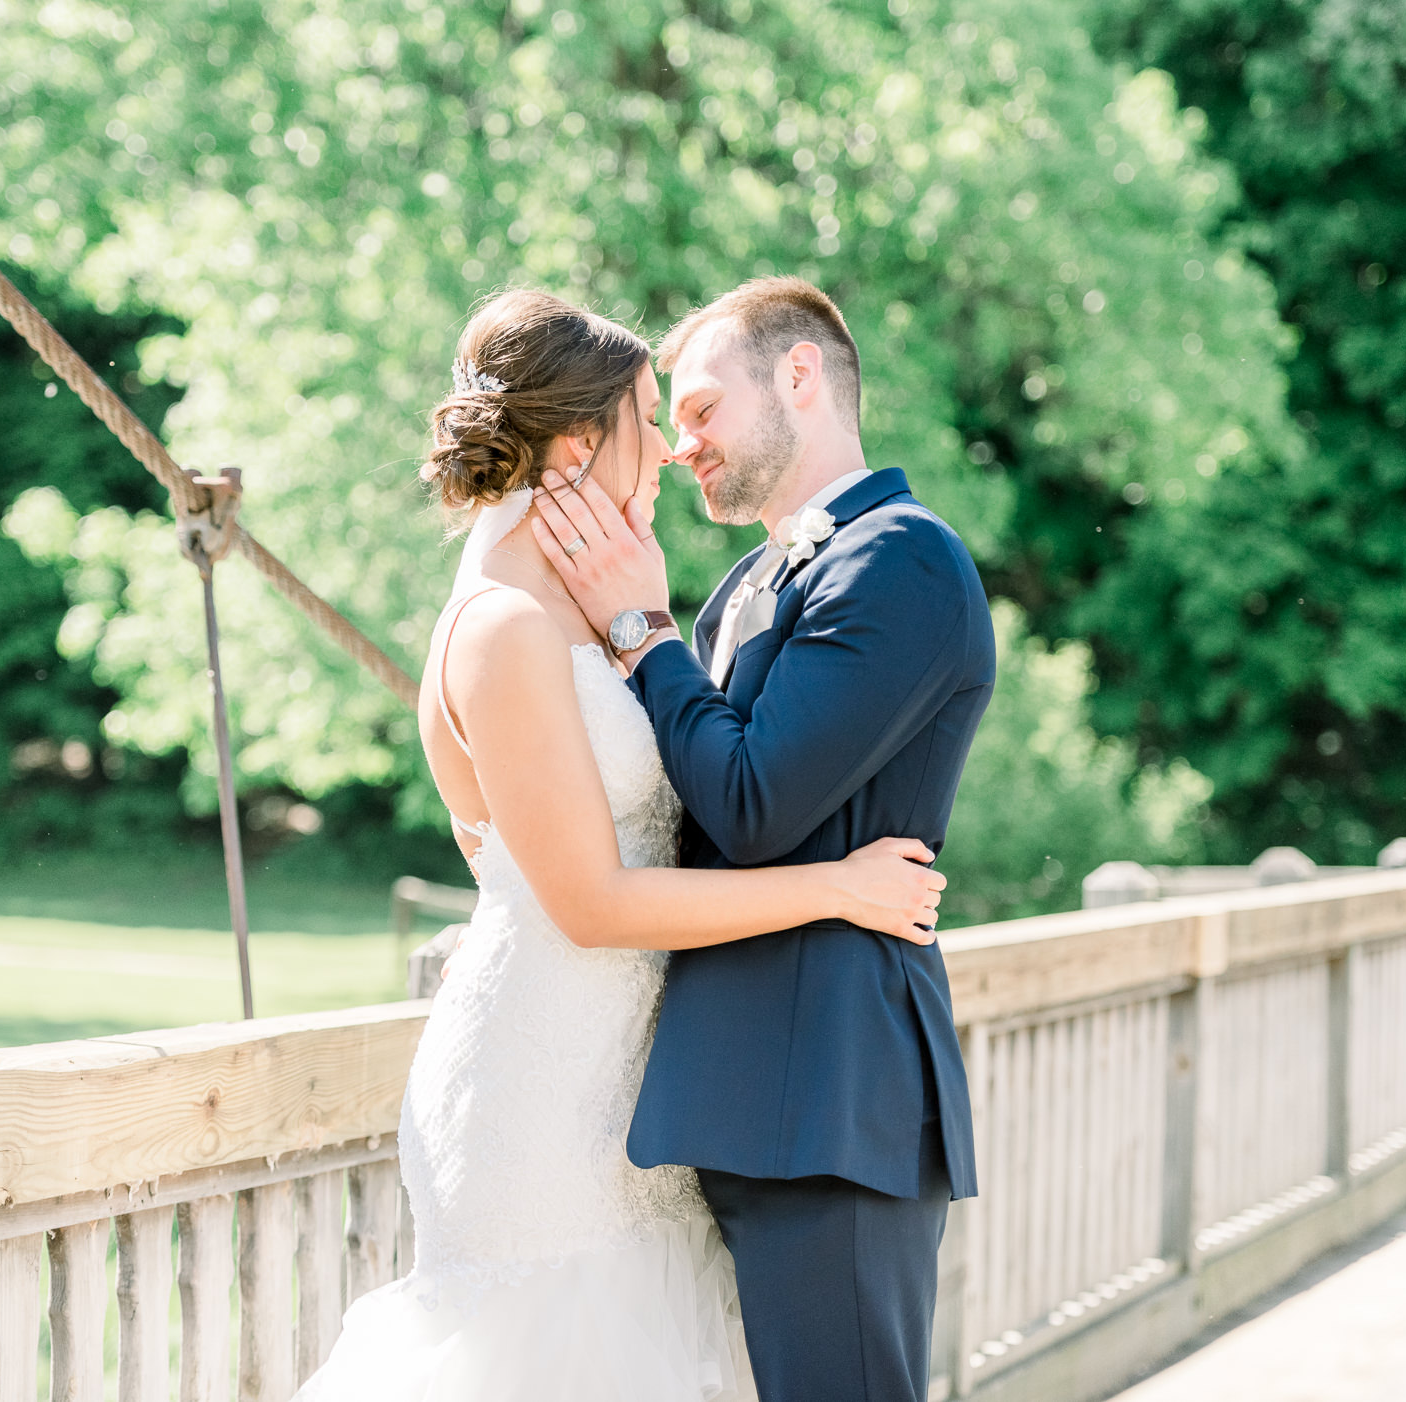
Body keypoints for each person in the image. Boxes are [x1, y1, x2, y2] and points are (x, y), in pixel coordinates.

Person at [296, 288, 948, 1402]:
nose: (670, 450)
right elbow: (588, 901)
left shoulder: (585, 620)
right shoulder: (501, 626)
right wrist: (834, 886)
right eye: (652, 416)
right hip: (542, 1101)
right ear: (576, 443)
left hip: (626, 1095)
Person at [529, 277, 996, 1402]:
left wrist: (640, 630)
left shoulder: (904, 559)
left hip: (828, 1098)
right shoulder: (752, 577)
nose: (681, 448)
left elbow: (747, 803)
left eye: (699, 411)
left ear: (800, 377)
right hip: (743, 1097)